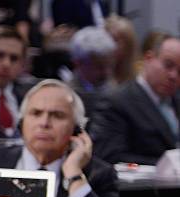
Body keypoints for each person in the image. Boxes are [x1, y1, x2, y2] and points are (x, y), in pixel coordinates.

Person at [90, 36, 180, 165]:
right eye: (168, 65)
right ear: (149, 59)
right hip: (141, 184)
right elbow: (108, 156)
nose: (173, 76)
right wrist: (165, 166)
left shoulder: (176, 100)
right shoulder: (116, 101)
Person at [67, 26, 116, 117]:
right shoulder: (67, 97)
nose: (106, 72)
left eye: (109, 65)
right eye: (99, 67)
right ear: (78, 63)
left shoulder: (117, 92)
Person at [104, 15, 137, 85]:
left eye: (115, 40)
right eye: (107, 39)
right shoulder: (95, 75)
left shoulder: (137, 78)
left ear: (128, 46)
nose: (109, 45)